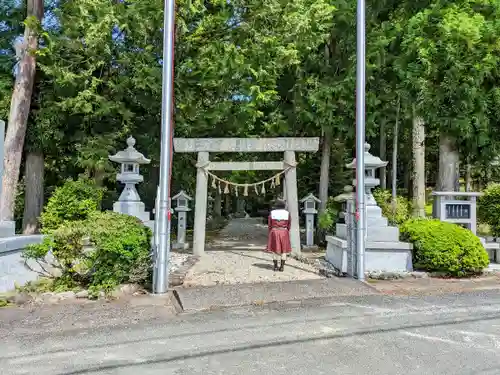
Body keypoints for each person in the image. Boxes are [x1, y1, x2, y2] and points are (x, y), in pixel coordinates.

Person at [266, 199, 291, 272]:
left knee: (274, 249)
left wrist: (270, 231)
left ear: (276, 205)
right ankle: (282, 267)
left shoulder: (272, 213)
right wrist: (286, 230)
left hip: (274, 231)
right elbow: (289, 224)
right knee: (284, 250)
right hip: (284, 231)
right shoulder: (287, 213)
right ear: (284, 206)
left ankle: (275, 266)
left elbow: (270, 224)